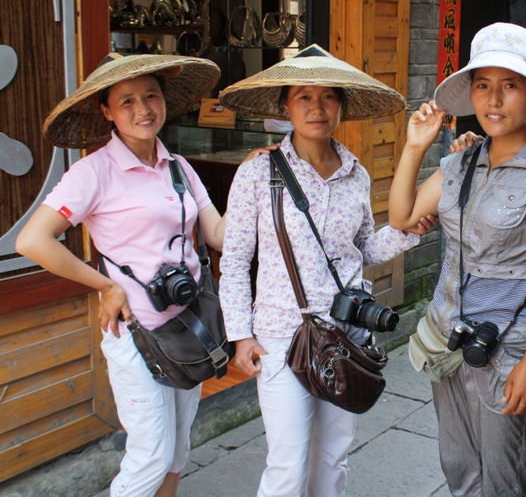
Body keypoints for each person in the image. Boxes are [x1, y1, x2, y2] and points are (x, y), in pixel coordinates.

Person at [14, 53, 266, 497]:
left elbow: (219, 235)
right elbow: (32, 241)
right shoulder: (94, 172)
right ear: (107, 112)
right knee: (150, 454)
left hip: (188, 326)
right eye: (126, 100)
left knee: (175, 451)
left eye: (151, 95)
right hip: (135, 333)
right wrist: (106, 285)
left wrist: (249, 178)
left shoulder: (179, 168)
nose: (142, 109)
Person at [216, 44, 436, 497]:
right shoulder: (259, 173)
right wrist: (240, 336)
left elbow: (362, 250)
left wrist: (411, 231)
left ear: (342, 105)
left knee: (333, 456)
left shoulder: (355, 173)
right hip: (283, 335)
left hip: (347, 335)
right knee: (287, 464)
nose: (317, 108)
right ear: (285, 105)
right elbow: (235, 261)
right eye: (304, 97)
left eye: (328, 97)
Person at [388, 22, 526, 496]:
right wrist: (415, 146)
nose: (494, 100)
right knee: (459, 467)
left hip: (508, 347)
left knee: (503, 477)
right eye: (482, 85)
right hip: (446, 335)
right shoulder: (460, 162)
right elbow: (403, 214)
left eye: (510, 85)